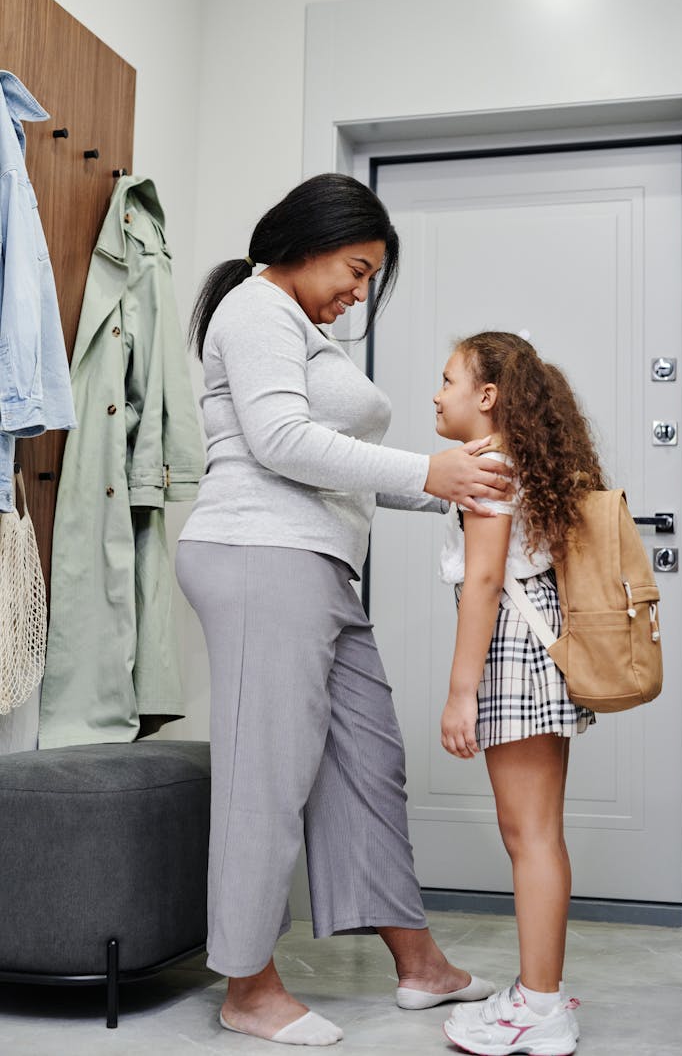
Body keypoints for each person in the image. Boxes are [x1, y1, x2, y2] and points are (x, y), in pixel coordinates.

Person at [176, 174, 512, 1047]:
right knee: (268, 777)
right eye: (356, 270)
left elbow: (339, 465)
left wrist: (449, 489)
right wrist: (428, 473)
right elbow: (281, 442)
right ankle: (247, 984)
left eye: (368, 279)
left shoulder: (293, 326)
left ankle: (419, 962)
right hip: (259, 555)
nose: (358, 294)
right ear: (308, 238)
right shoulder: (255, 311)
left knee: (367, 761)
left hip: (319, 562)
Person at [433, 332, 604, 1056]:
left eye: (448, 380)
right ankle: (539, 992)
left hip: (514, 653)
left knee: (529, 835)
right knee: (535, 833)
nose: (437, 394)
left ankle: (540, 1007)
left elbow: (482, 583)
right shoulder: (509, 462)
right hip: (537, 653)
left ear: (488, 396)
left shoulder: (491, 468)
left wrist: (459, 692)